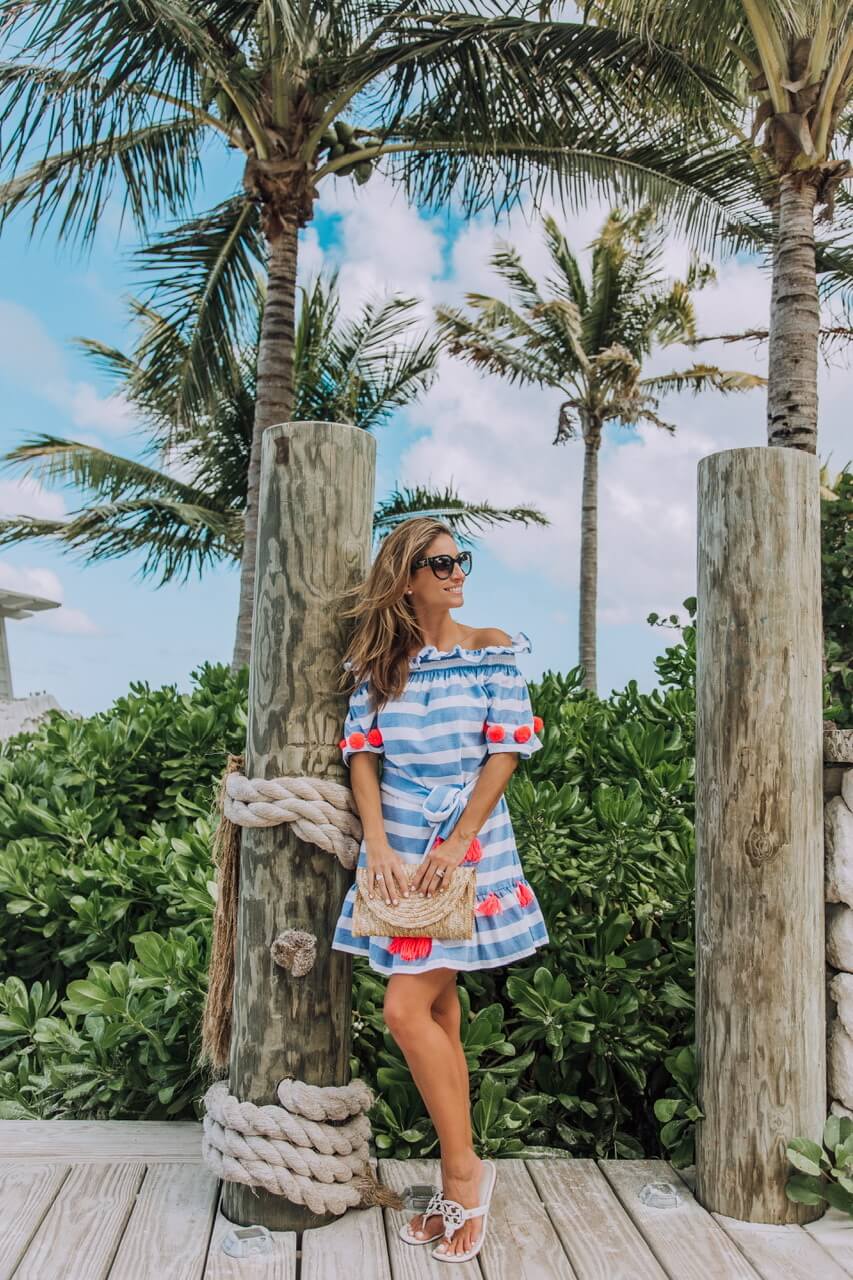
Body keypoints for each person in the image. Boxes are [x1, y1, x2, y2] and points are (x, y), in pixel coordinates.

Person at [330, 517, 549, 1263]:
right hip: (397, 849)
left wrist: (457, 843)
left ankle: (462, 1173)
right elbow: (362, 756)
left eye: (461, 561)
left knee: (403, 1008)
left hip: (467, 847)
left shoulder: (491, 649)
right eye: (441, 563)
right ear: (405, 579)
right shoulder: (378, 666)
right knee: (437, 1008)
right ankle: (461, 1170)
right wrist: (377, 844)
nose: (458, 573)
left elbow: (506, 751)